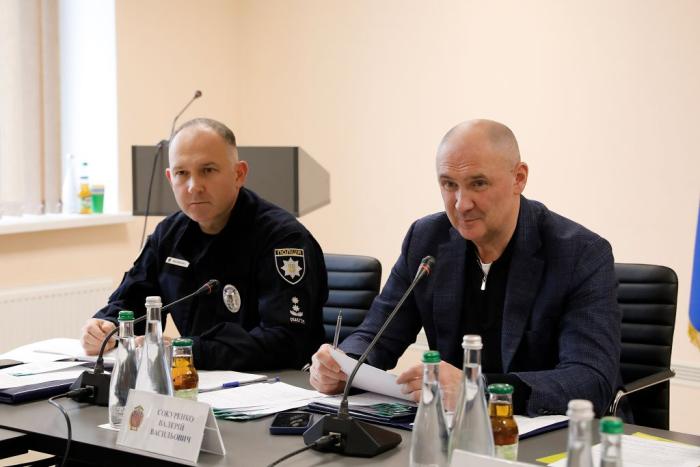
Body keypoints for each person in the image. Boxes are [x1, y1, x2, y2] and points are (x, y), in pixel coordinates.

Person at [310, 119, 621, 417]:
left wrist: (478, 390)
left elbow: (590, 378)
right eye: (449, 184)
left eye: (478, 183)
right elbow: (376, 335)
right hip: (448, 427)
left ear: (519, 178)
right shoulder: (426, 240)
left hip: (543, 433)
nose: (461, 203)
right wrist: (342, 365)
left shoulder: (579, 253)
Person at [80, 118, 328, 370]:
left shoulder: (282, 239)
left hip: (276, 384)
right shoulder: (168, 234)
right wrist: (107, 326)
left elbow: (285, 343)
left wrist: (186, 350)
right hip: (196, 378)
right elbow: (132, 299)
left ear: (239, 174)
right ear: (170, 178)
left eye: (207, 170)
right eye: (181, 173)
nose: (193, 187)